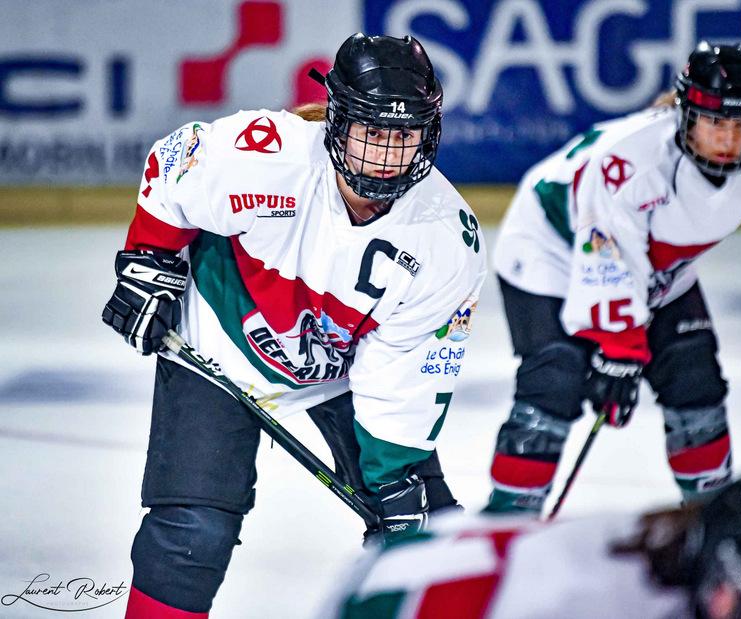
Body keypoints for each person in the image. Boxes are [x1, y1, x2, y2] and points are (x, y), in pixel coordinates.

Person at [317, 226, 741, 619]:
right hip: (549, 259)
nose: (729, 137)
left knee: (690, 385)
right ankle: (512, 508)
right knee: (551, 385)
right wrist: (615, 339)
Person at [101, 33, 486, 618]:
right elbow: (174, 164)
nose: (385, 156)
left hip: (343, 368)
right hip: (217, 339)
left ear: (428, 135)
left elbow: (405, 370)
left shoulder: (445, 237)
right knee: (190, 535)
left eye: (403, 136)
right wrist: (147, 261)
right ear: (337, 123)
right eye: (372, 133)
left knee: (424, 529)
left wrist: (392, 478)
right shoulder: (267, 155)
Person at [484, 41, 741, 514]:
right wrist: (619, 350)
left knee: (694, 376)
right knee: (555, 378)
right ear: (684, 116)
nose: (728, 139)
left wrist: (628, 347)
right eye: (715, 123)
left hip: (653, 266)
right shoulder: (630, 166)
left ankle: (710, 519)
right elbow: (607, 256)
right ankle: (505, 523)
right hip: (551, 248)